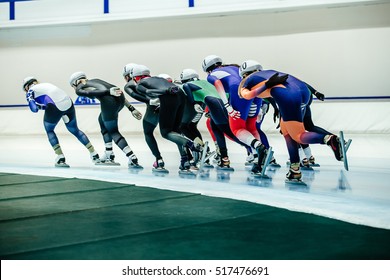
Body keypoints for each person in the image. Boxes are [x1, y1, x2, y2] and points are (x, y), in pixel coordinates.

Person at [238, 61, 343, 182]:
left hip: (285, 94)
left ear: (244, 74)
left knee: (298, 135)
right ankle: (294, 170)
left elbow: (248, 95)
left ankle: (329, 140)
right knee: (286, 131)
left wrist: (266, 85)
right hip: (303, 91)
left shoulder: (246, 81)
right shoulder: (269, 71)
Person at [130, 64, 201, 174]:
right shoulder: (158, 78)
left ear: (137, 78)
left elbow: (149, 93)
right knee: (176, 131)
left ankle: (191, 145)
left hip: (168, 96)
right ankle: (185, 161)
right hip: (180, 95)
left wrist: (162, 94)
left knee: (165, 132)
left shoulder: (140, 84)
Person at [202, 55, 267, 174]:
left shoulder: (212, 75)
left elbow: (218, 84)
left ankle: (258, 147)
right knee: (252, 127)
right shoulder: (234, 67)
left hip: (238, 90)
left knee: (237, 128)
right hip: (254, 90)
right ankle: (258, 159)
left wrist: (228, 107)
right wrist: (261, 106)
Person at [180, 68, 251, 171]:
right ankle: (224, 159)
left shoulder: (188, 84)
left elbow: (186, 86)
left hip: (214, 104)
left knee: (228, 132)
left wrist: (193, 103)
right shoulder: (204, 82)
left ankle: (255, 148)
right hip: (223, 103)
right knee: (217, 130)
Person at [69, 71, 143, 169]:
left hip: (109, 101)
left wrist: (107, 92)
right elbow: (116, 91)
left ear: (75, 82)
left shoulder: (80, 86)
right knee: (101, 119)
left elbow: (86, 92)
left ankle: (132, 157)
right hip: (120, 99)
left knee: (113, 132)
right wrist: (131, 108)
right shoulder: (95, 80)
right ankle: (109, 153)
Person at [22, 76, 100, 167]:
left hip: (54, 106)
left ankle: (60, 157)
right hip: (68, 102)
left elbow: (34, 109)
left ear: (26, 87)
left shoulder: (30, 91)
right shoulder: (46, 84)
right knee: (75, 130)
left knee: (49, 130)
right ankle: (94, 154)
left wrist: (35, 104)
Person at [123, 64, 168, 172]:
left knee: (148, 133)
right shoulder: (153, 79)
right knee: (175, 131)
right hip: (168, 104)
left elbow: (136, 94)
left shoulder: (131, 84)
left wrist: (149, 101)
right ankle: (189, 158)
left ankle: (159, 159)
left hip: (153, 108)